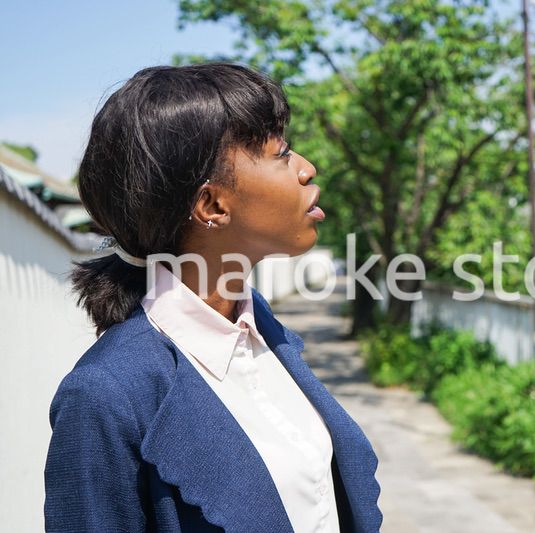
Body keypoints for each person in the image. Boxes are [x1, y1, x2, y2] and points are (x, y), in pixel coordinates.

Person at [43, 62, 382, 532]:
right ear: (212, 205)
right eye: (281, 153)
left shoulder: (257, 324)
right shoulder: (105, 396)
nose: (306, 169)